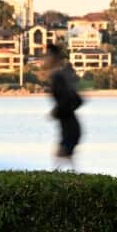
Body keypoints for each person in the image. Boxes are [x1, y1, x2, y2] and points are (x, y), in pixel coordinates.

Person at [44, 42, 83, 170]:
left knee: (59, 162)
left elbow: (72, 100)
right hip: (69, 128)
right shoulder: (60, 76)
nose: (45, 59)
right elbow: (76, 100)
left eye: (47, 56)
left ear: (53, 57)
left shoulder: (57, 77)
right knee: (64, 162)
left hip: (70, 129)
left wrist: (56, 112)